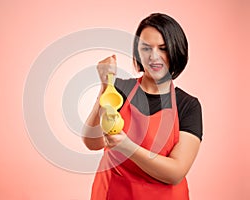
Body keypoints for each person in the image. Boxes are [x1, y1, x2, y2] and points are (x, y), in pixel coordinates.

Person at [82, 13, 203, 200]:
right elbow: (92, 141)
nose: (154, 57)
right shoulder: (119, 90)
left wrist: (126, 146)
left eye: (163, 48)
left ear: (176, 50)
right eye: (146, 48)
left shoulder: (187, 105)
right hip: (114, 194)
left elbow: (175, 172)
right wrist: (106, 86)